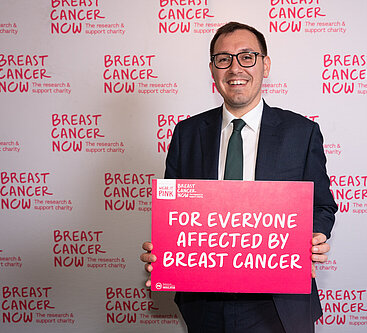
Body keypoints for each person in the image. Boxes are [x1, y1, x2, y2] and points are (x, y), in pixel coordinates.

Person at [141, 21, 337, 333]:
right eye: (224, 59)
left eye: (247, 57)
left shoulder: (302, 133)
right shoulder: (186, 134)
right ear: (212, 69)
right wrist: (165, 250)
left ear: (265, 65)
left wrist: (314, 237)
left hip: (278, 304)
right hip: (205, 304)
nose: (235, 69)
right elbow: (175, 215)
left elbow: (322, 206)